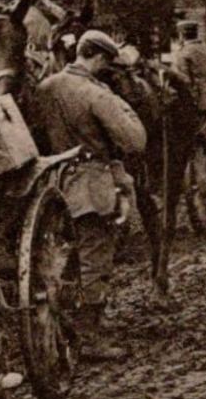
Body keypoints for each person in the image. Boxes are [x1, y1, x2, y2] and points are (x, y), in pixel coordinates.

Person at [31, 28, 148, 360]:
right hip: (89, 185)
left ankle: (65, 323)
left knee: (61, 258)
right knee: (95, 258)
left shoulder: (45, 88)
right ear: (97, 57)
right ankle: (89, 338)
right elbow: (135, 141)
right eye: (107, 63)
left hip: (52, 184)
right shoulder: (95, 94)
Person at [169, 18, 206, 145]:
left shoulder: (184, 53)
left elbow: (185, 79)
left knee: (190, 133)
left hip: (194, 98)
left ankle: (193, 162)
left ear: (182, 34)